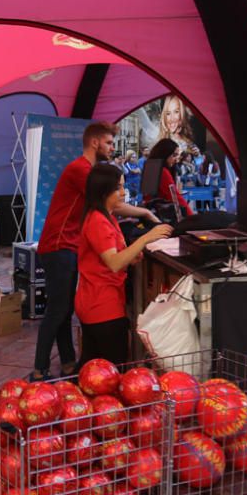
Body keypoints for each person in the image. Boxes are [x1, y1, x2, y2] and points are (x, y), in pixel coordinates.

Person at [31, 122, 160, 380]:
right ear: (94, 143)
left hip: (67, 244)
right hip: (59, 244)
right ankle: (39, 370)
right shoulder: (82, 170)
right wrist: (146, 213)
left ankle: (68, 363)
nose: (113, 148)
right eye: (109, 143)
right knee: (58, 310)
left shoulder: (89, 171)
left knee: (64, 309)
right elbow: (110, 203)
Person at [76, 164, 172, 365]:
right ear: (104, 191)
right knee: (110, 368)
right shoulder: (98, 221)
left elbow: (114, 257)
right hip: (101, 306)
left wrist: (132, 255)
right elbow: (113, 263)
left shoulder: (106, 217)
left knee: (94, 368)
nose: (123, 192)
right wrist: (146, 238)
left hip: (101, 301)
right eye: (118, 188)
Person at [148, 138, 194, 217]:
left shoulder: (151, 167)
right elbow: (175, 198)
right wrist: (192, 217)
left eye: (177, 155)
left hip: (152, 214)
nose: (176, 159)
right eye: (174, 155)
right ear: (165, 154)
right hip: (162, 217)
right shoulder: (162, 172)